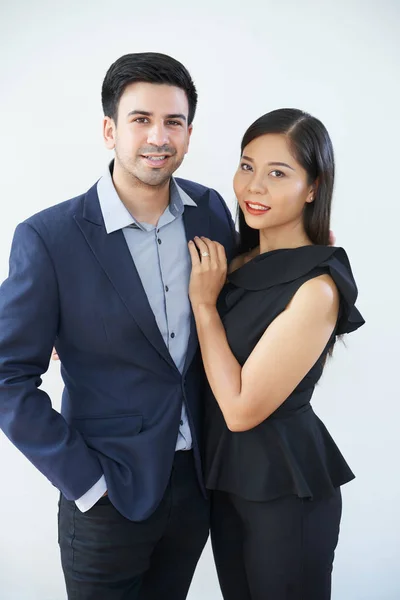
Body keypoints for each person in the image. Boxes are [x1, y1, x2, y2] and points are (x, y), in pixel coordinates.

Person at [0, 52, 237, 599]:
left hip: (195, 484)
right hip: (106, 496)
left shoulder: (211, 213)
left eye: (173, 122)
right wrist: (86, 483)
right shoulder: (49, 238)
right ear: (110, 130)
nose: (158, 136)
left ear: (189, 132)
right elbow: (10, 378)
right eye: (140, 120)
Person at [187, 108, 365, 600]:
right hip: (227, 483)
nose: (253, 187)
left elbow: (242, 410)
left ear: (313, 187)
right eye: (247, 166)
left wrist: (203, 305)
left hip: (285, 489)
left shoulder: (318, 288)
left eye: (278, 173)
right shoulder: (234, 261)